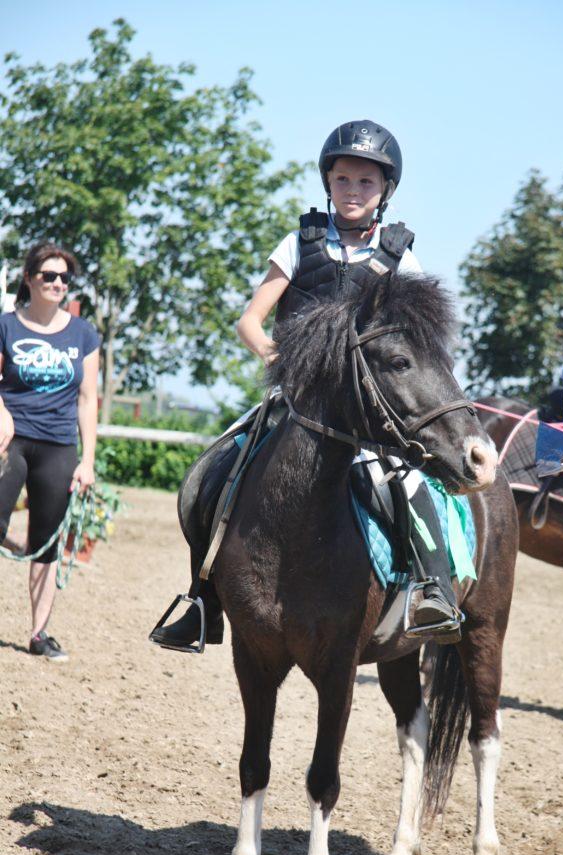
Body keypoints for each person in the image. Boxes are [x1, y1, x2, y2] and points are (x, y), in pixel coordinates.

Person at [152, 120, 460, 653]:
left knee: (406, 483)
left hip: (363, 416)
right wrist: (283, 360)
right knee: (213, 472)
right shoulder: (299, 244)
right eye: (343, 180)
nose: (353, 191)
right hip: (292, 404)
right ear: (328, 183)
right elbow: (250, 322)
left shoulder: (400, 258)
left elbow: (416, 342)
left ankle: (432, 590)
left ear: (385, 189)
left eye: (365, 182)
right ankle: (202, 600)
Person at [0, 242, 100, 662]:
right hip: (11, 440)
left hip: (58, 446)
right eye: (49, 275)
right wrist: (2, 413)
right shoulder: (6, 326)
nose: (58, 283)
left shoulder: (83, 334)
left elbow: (87, 399)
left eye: (64, 277)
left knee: (46, 543)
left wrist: (87, 461)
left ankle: (39, 634)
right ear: (29, 279)